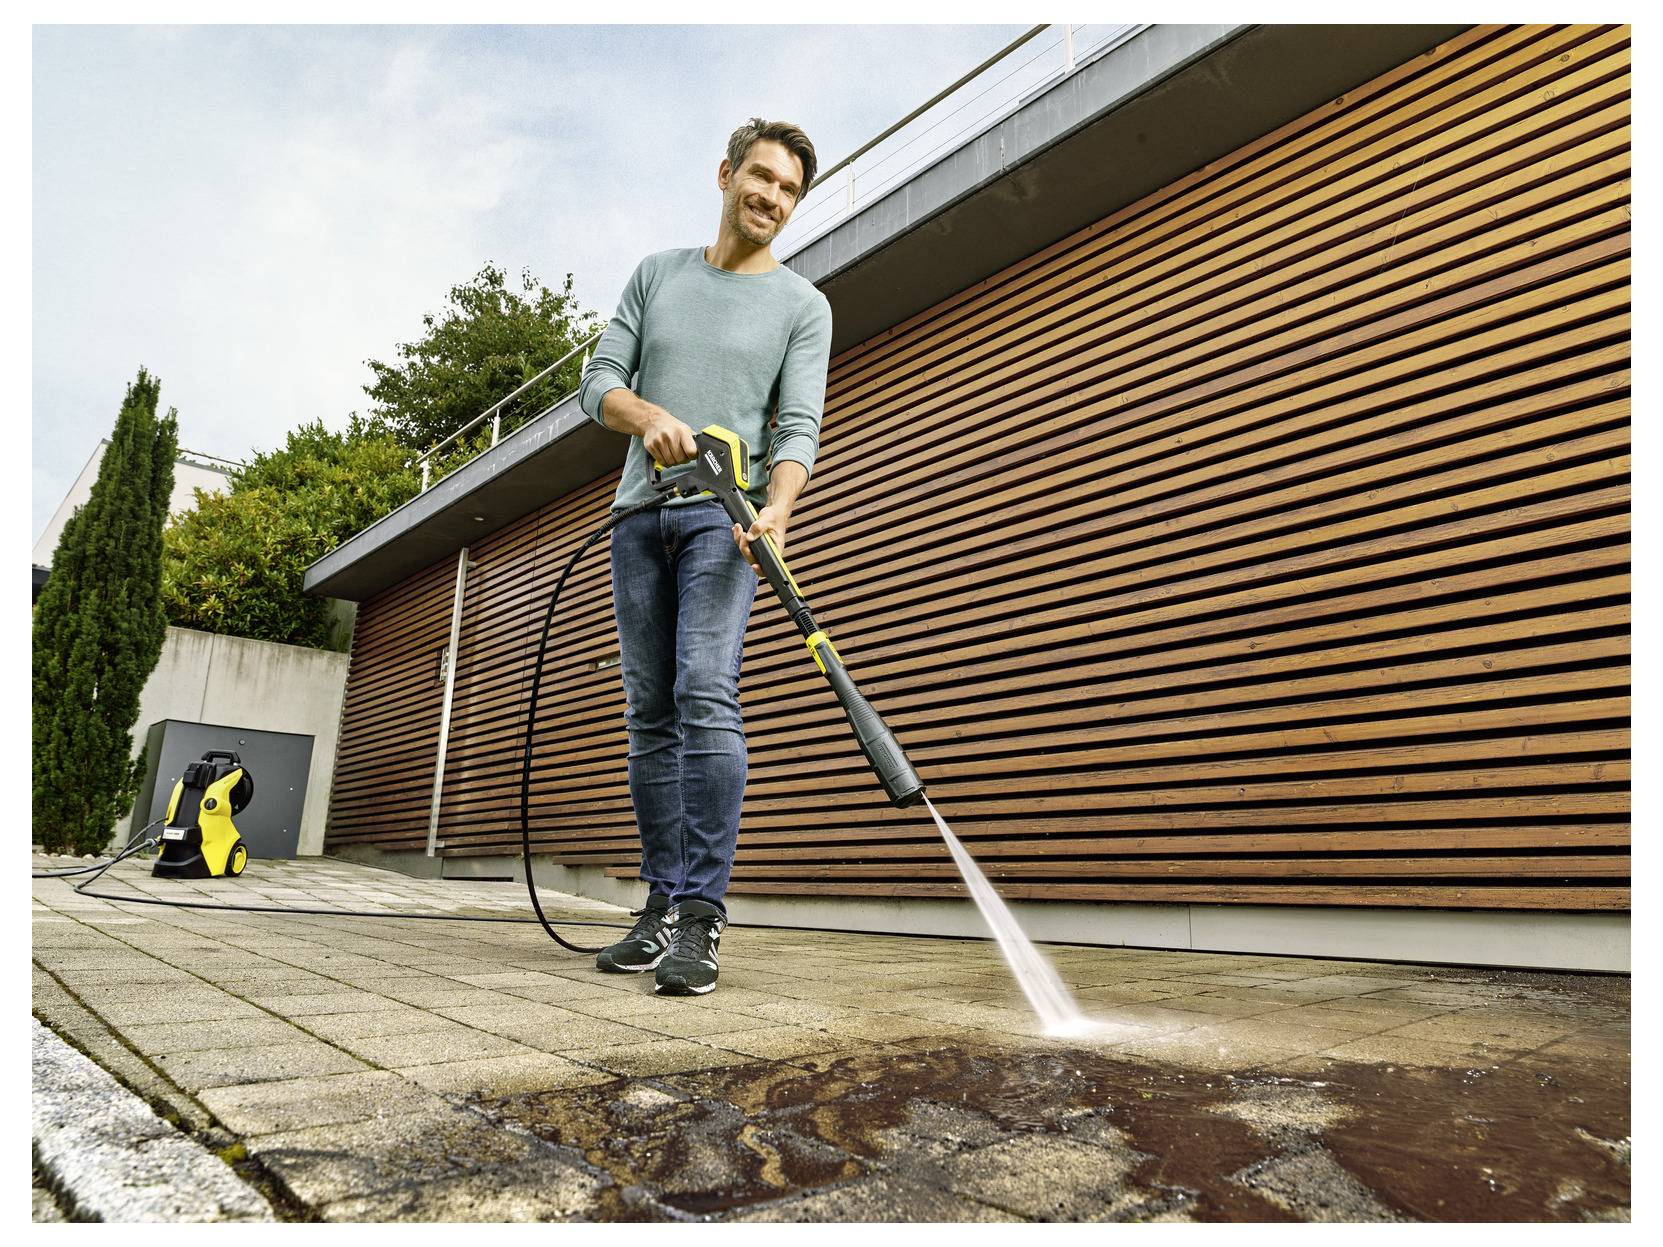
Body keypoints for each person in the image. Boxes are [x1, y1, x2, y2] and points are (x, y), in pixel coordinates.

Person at [576, 118, 833, 996]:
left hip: (726, 524)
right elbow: (597, 381)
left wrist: (780, 507)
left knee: (703, 692)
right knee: (649, 711)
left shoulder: (803, 306)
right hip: (638, 520)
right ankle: (658, 903)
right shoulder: (657, 275)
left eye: (788, 189)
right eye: (759, 177)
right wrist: (648, 418)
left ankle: (701, 918)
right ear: (725, 174)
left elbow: (797, 426)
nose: (770, 198)